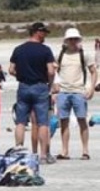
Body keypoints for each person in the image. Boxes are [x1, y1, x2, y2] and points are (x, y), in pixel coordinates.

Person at [9, 22, 56, 163]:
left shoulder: (18, 49)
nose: (45, 36)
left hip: (23, 86)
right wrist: (50, 83)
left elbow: (11, 69)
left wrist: (21, 75)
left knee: (21, 121)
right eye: (44, 33)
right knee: (42, 122)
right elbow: (51, 71)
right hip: (40, 86)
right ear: (38, 32)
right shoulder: (45, 50)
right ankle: (42, 155)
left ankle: (19, 149)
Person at [53, 27, 96, 160]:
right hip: (63, 92)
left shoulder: (85, 54)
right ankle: (65, 151)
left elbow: (93, 71)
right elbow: (53, 72)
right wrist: (54, 90)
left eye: (75, 39)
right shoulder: (59, 55)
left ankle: (85, 150)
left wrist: (91, 89)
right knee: (64, 122)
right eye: (70, 39)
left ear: (78, 40)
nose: (72, 41)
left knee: (82, 120)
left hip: (78, 91)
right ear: (66, 41)